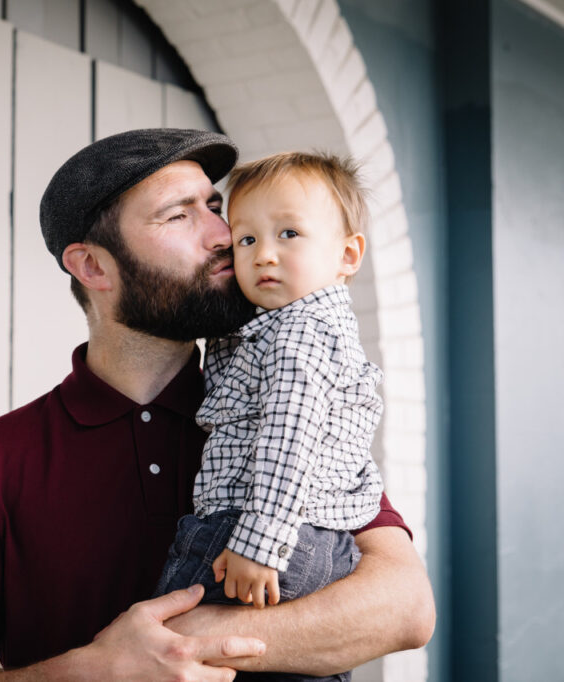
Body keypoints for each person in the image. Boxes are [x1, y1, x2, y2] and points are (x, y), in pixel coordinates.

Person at [0, 129, 434, 680]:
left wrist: (191, 639)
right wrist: (98, 671)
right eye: (179, 216)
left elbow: (407, 608)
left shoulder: (272, 408)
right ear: (93, 267)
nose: (224, 235)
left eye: (215, 208)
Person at [153, 152, 384, 682]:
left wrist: (259, 544)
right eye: (247, 239)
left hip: (256, 531)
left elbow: (288, 441)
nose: (264, 256)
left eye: (289, 234)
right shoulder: (288, 329)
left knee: (160, 646)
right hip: (317, 541)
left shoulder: (300, 334)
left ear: (348, 254)